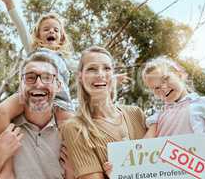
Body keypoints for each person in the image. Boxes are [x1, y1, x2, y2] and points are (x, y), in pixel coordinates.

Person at [0, 0, 76, 177]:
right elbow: (20, 25)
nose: (51, 32)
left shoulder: (67, 61)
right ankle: (6, 166)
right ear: (38, 36)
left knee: (72, 130)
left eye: (55, 30)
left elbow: (89, 70)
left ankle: (72, 171)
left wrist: (113, 77)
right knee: (1, 110)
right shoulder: (34, 50)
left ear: (61, 38)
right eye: (46, 29)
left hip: (59, 101)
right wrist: (9, 1)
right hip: (28, 95)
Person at [0, 49, 74, 179]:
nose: (38, 83)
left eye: (47, 77)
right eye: (30, 78)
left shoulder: (70, 135)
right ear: (20, 86)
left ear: (58, 86)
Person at [61, 46, 148, 178]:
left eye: (107, 68)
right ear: (80, 77)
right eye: (92, 69)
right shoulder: (76, 128)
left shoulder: (136, 113)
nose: (100, 74)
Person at [141, 56, 205, 138]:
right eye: (156, 87)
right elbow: (145, 145)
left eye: (165, 79)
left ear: (179, 75)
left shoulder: (202, 104)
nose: (163, 88)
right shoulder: (159, 114)